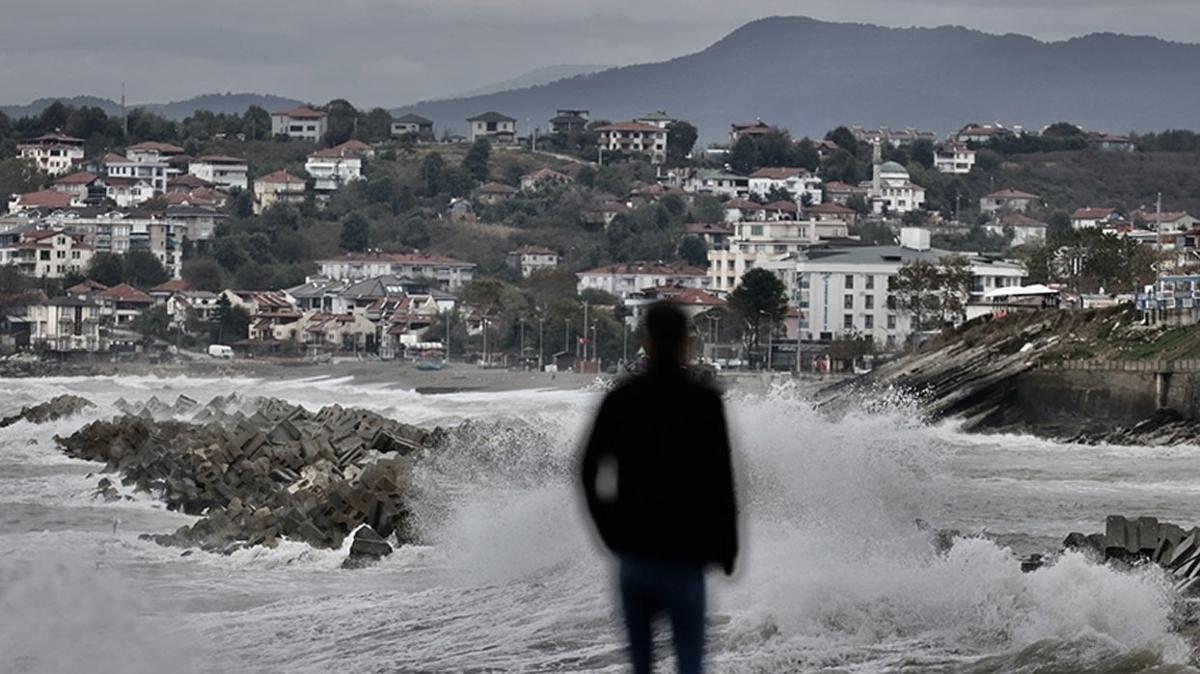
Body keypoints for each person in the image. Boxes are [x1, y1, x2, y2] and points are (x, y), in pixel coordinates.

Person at [580, 302, 738, 674]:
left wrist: (609, 531)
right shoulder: (705, 402)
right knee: (689, 664)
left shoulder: (621, 399)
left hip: (635, 553)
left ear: (647, 341)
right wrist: (727, 547)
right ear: (686, 340)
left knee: (641, 665)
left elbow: (588, 470)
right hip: (686, 555)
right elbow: (721, 481)